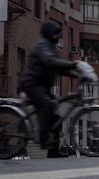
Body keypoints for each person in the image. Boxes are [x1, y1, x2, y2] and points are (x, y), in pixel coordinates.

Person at [18, 21, 78, 149]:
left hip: (43, 86)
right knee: (47, 104)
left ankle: (54, 148)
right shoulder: (42, 45)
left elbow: (60, 68)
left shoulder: (51, 47)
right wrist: (72, 64)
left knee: (54, 113)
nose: (59, 36)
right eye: (56, 34)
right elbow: (49, 61)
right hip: (32, 83)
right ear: (50, 34)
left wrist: (78, 74)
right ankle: (42, 137)